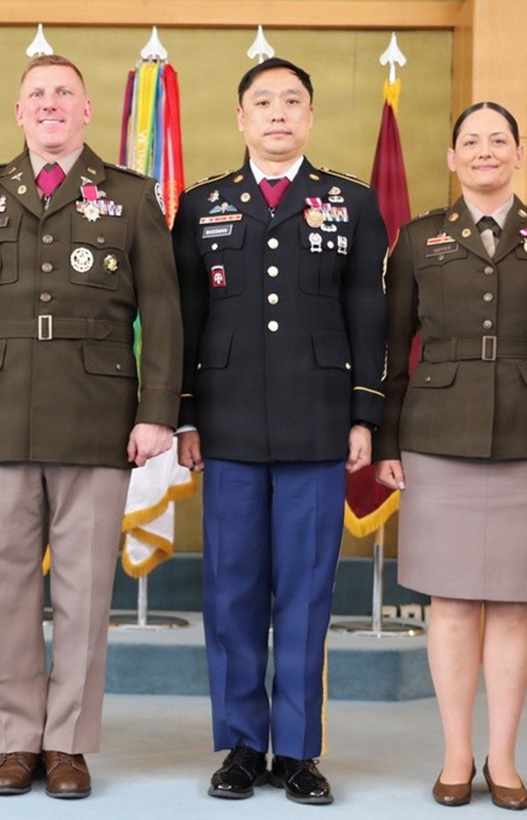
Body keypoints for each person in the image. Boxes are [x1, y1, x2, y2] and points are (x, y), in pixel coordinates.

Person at [0, 54, 181, 800]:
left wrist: (157, 410)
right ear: (18, 112)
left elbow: (162, 313)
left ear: (87, 112)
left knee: (83, 593)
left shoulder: (129, 197)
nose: (49, 104)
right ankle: (15, 741)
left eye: (64, 93)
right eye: (36, 93)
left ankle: (67, 742)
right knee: (5, 592)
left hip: (97, 421)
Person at [375, 101, 527, 810]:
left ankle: (502, 759)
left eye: (497, 140)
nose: (484, 151)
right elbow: (392, 351)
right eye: (470, 141)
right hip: (437, 433)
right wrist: (385, 437)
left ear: (519, 153)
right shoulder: (417, 240)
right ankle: (454, 755)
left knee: (512, 604)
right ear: (452, 158)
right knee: (448, 602)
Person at [174, 57, 388, 806]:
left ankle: (297, 750)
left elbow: (369, 313)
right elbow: (185, 320)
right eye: (262, 102)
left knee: (304, 592)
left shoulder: (350, 203)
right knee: (231, 589)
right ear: (240, 118)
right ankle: (239, 744)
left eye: (292, 101)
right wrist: (187, 413)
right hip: (227, 424)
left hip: (318, 423)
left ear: (310, 115)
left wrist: (365, 414)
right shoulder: (202, 204)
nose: (277, 114)